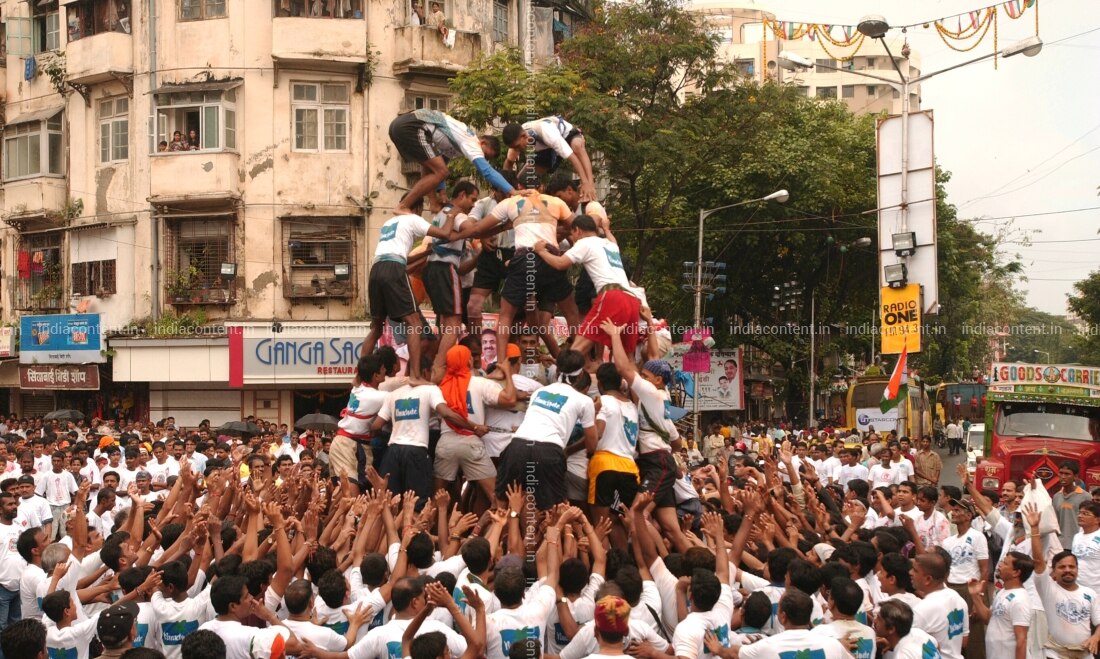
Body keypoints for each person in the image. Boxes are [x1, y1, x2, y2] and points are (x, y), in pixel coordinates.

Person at [360, 209, 464, 385]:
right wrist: (452, 215)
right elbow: (445, 233)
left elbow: (404, 259)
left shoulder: (388, 224)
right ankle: (415, 376)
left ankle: (360, 378)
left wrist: (426, 254)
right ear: (416, 209)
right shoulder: (413, 220)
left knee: (378, 328)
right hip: (395, 277)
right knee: (415, 325)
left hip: (376, 269)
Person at [494, 350, 596, 511]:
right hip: (549, 451)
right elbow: (592, 444)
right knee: (555, 511)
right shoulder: (584, 401)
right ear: (581, 374)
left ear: (558, 370)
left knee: (502, 504)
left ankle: (496, 526)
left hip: (517, 446)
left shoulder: (539, 392)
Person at [535, 215, 646, 359]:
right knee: (628, 358)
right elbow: (613, 239)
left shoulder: (585, 243)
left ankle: (566, 370)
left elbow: (560, 264)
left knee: (577, 349)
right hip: (632, 300)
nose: (573, 239)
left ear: (578, 230)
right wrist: (606, 228)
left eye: (572, 234)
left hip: (612, 296)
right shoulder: (610, 245)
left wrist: (541, 251)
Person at [387, 110, 512, 216]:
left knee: (432, 168)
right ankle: (403, 206)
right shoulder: (472, 142)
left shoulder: (458, 144)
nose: (483, 158)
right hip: (412, 126)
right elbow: (487, 171)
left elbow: (439, 164)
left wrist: (442, 193)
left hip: (397, 126)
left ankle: (433, 204)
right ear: (483, 143)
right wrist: (511, 190)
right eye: (485, 155)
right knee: (442, 171)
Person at [1026, 502, 1100, 657]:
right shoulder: (1049, 591)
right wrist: (1034, 529)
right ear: (1053, 570)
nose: (1067, 570)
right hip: (1056, 654)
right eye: (1062, 567)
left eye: (1072, 567)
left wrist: (1095, 637)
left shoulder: (1090, 594)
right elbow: (1038, 562)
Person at [502, 117, 596, 202]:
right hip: (546, 150)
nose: (517, 150)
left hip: (566, 136)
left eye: (518, 146)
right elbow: (509, 163)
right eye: (514, 148)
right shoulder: (516, 142)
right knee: (524, 179)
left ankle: (590, 186)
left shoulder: (546, 132)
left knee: (577, 145)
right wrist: (507, 188)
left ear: (524, 136)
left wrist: (585, 182)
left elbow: (572, 157)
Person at [968, 551, 1033, 659]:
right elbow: (988, 618)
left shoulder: (1020, 599)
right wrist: (975, 596)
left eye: (1005, 563)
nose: (1000, 565)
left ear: (1016, 572)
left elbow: (1021, 640)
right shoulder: (1002, 592)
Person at [911, 552, 969, 659]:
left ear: (928, 579)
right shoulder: (958, 599)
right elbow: (964, 641)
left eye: (915, 570)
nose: (910, 573)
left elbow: (910, 647)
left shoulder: (923, 609)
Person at [873, 600, 941, 659]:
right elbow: (937, 646)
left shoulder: (903, 655)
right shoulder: (918, 632)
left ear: (891, 629)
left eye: (879, 618)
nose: (874, 621)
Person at [1053, 461, 1091, 548]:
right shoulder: (1056, 496)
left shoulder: (1085, 497)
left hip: (1078, 545)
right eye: (1061, 473)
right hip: (1059, 545)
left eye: (1067, 474)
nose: (1063, 477)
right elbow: (1054, 522)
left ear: (1075, 476)